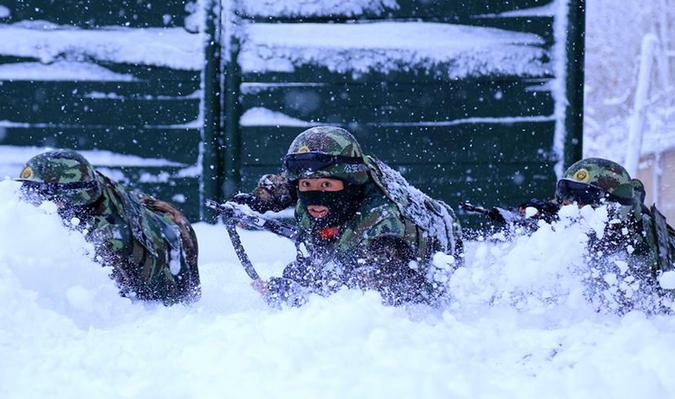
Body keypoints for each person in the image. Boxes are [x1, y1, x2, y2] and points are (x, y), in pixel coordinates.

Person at [232, 126, 463, 306]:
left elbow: (366, 299)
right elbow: (288, 181)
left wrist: (293, 294)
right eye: (307, 184)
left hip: (434, 252)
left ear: (351, 183)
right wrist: (257, 201)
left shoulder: (381, 224)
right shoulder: (344, 169)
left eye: (325, 184)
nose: (315, 194)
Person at [17, 149, 201, 305]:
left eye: (40, 195)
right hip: (151, 215)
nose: (33, 202)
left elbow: (144, 302)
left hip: (175, 242)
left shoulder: (109, 240)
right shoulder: (89, 186)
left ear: (66, 199)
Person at [510, 158, 674, 311]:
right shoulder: (610, 221)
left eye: (584, 197)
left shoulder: (639, 242)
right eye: (568, 195)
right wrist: (545, 213)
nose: (573, 205)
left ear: (613, 203)